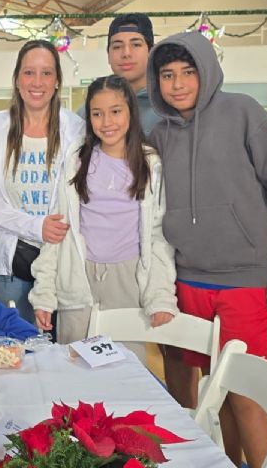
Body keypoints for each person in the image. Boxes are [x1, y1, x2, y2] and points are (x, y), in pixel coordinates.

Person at [147, 32, 267, 468]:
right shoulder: (159, 134)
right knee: (214, 395)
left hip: (246, 280)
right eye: (167, 75)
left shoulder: (243, 113)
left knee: (246, 395)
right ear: (155, 80)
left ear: (207, 72)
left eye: (188, 73)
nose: (178, 84)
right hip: (187, 280)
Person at [29, 75, 178, 344]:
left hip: (128, 280)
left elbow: (157, 237)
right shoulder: (76, 159)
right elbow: (58, 231)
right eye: (97, 114)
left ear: (131, 112)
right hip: (79, 277)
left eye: (116, 112)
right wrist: (44, 294)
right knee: (75, 365)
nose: (107, 122)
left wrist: (161, 295)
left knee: (127, 369)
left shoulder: (150, 163)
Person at [0, 40, 85, 324]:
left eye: (46, 73)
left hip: (63, 263)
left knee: (64, 356)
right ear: (17, 79)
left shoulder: (76, 130)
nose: (37, 82)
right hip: (11, 266)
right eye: (29, 72)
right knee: (12, 354)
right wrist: (36, 226)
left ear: (57, 81)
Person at [78, 13, 162, 136]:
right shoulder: (88, 112)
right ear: (108, 55)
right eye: (117, 46)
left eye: (136, 44)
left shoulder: (167, 107)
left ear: (151, 51)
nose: (126, 53)